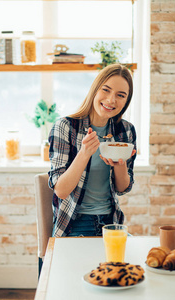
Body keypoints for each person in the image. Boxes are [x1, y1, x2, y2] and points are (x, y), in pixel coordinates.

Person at [48, 63, 137, 237]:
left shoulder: (126, 130)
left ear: (126, 101)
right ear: (95, 90)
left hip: (111, 221)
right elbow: (61, 190)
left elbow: (122, 188)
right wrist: (84, 153)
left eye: (120, 95)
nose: (111, 100)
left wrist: (120, 165)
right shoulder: (65, 126)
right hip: (75, 221)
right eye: (106, 90)